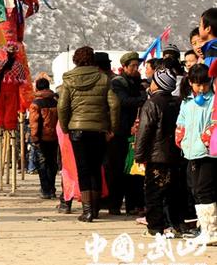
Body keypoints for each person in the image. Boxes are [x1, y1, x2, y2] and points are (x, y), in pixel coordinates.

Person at [57, 46, 119, 222]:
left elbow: (62, 106)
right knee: (96, 169)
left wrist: (65, 127)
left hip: (77, 129)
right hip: (99, 129)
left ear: (76, 60)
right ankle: (97, 208)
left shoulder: (68, 79)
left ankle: (87, 211)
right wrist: (111, 128)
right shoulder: (103, 78)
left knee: (83, 170)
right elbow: (114, 105)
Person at [134, 68, 182, 237]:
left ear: (158, 83)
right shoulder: (178, 102)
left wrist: (138, 155)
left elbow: (144, 131)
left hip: (156, 156)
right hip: (176, 155)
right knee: (173, 191)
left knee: (153, 192)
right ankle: (175, 224)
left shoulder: (152, 103)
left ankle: (155, 227)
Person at [175, 63, 217, 244]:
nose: (202, 88)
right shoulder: (187, 101)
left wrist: (206, 138)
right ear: (190, 82)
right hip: (190, 152)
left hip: (207, 153)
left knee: (204, 189)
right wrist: (180, 137)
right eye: (198, 84)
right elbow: (181, 121)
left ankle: (212, 231)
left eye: (205, 83)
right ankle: (205, 229)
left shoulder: (213, 100)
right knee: (195, 189)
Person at [108, 51, 146, 216]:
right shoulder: (118, 82)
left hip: (134, 130)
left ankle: (133, 204)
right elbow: (123, 101)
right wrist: (143, 98)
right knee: (118, 169)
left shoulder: (135, 80)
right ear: (124, 67)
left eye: (137, 66)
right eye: (132, 66)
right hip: (120, 130)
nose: (135, 69)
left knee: (133, 169)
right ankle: (115, 205)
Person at [30, 77, 59, 199]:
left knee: (42, 164)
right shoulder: (56, 102)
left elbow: (34, 123)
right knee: (52, 163)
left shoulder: (36, 104)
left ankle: (45, 189)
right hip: (55, 137)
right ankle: (52, 189)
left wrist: (34, 138)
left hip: (42, 138)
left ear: (37, 87)